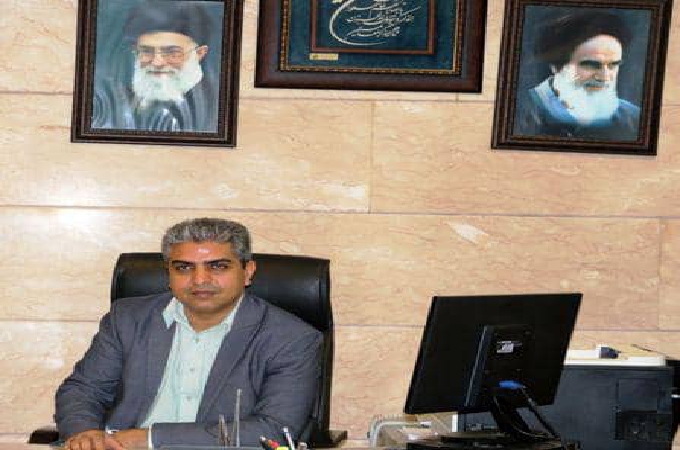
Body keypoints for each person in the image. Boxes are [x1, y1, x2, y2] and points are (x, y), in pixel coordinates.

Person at [55, 218, 322, 450]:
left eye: (218, 266)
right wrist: (85, 432)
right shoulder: (127, 319)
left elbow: (273, 431)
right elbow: (82, 390)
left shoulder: (291, 338)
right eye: (184, 267)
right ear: (168, 273)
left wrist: (149, 439)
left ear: (247, 272)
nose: (200, 280)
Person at [92, 2, 220, 132]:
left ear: (199, 53)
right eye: (146, 51)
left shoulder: (218, 105)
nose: (157, 62)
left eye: (172, 52)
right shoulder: (110, 104)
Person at [514, 11, 640, 141]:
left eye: (613, 65)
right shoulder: (520, 113)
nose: (605, 76)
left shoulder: (634, 118)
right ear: (556, 66)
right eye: (591, 65)